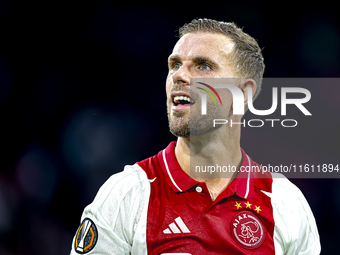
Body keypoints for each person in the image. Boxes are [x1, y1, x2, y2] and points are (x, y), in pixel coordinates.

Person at [70, 18, 321, 254]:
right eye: (175, 64)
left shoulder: (285, 203)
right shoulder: (127, 195)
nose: (179, 75)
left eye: (203, 66)